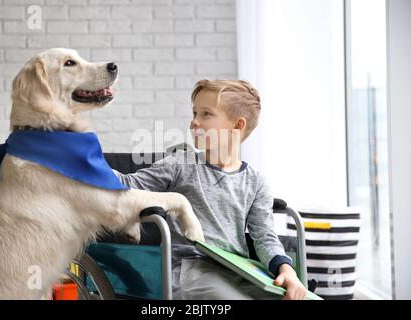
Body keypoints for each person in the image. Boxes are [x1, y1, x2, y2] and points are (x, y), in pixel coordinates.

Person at [112, 79, 307, 300]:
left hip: (240, 270)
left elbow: (264, 236)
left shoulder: (256, 182)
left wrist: (286, 269)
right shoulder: (180, 164)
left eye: (206, 114)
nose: (194, 122)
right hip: (191, 268)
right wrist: (88, 163)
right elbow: (128, 184)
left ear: (238, 125)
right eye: (194, 113)